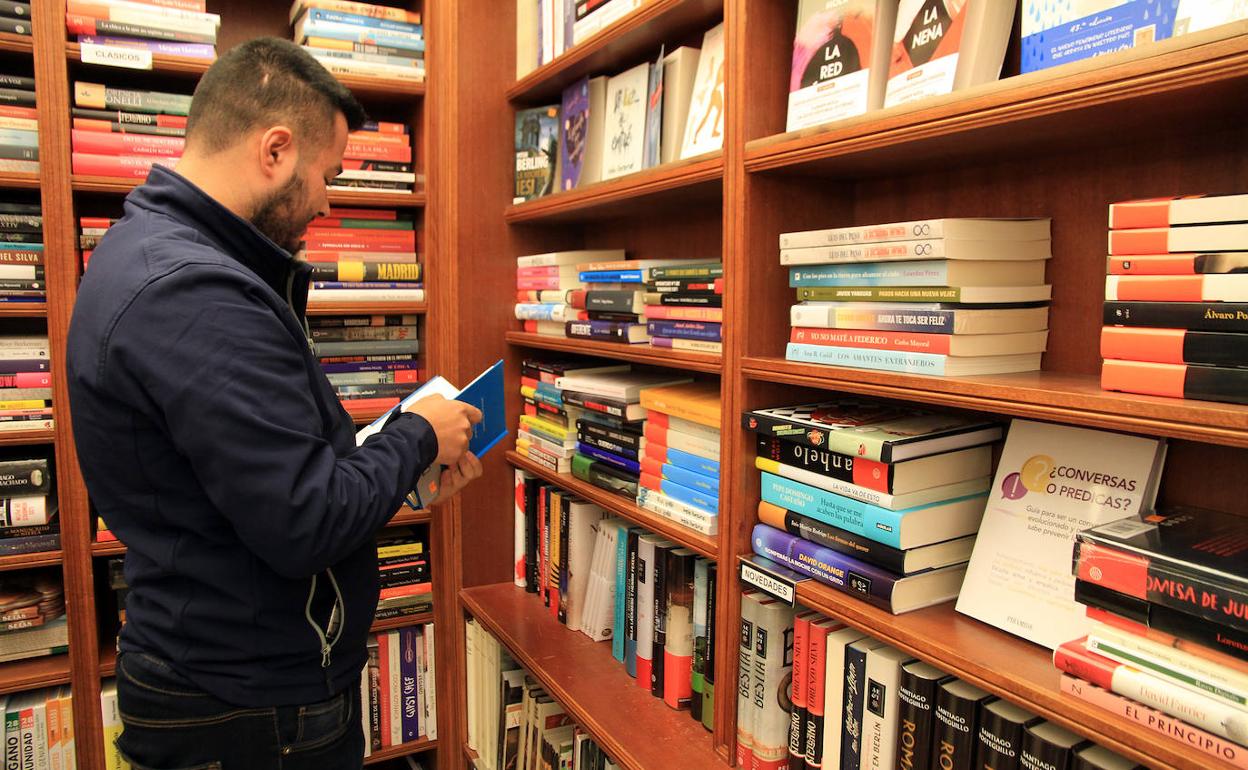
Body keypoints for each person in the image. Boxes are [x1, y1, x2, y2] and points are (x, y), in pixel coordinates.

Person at [66, 38, 480, 769]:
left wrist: (394, 449)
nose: (328, 199)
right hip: (250, 711)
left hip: (222, 679)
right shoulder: (193, 293)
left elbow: (266, 470)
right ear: (276, 150)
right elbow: (305, 519)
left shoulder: (155, 252)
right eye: (329, 174)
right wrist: (416, 434)